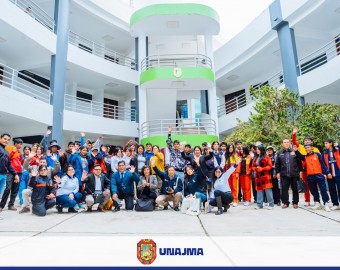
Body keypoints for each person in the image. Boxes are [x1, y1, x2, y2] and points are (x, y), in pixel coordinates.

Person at [295, 143, 331, 212]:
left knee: (323, 190)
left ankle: (326, 203)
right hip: (310, 176)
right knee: (313, 190)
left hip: (319, 175)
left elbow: (323, 164)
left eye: (308, 147)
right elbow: (299, 156)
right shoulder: (305, 157)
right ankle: (317, 203)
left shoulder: (317, 155)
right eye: (306, 148)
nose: (307, 149)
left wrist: (327, 172)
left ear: (312, 148)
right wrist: (296, 150)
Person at [291, 127, 319, 206]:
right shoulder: (301, 147)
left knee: (314, 186)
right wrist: (294, 134)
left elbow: (320, 160)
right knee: (305, 185)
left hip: (314, 170)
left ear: (312, 142)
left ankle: (316, 201)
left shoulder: (316, 149)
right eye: (305, 140)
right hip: (304, 169)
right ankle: (307, 201)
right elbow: (294, 142)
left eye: (308, 140)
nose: (307, 141)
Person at [275, 138, 301, 209]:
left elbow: (299, 162)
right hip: (284, 174)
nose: (286, 143)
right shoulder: (280, 152)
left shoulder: (294, 151)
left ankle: (295, 202)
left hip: (294, 174)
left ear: (289, 143)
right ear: (282, 144)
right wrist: (277, 172)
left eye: (287, 142)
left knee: (295, 189)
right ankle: (285, 202)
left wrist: (299, 171)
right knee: (284, 189)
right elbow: (277, 164)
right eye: (284, 142)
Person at [0, 138, 23, 212]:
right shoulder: (9, 148)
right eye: (20, 144)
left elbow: (20, 162)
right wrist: (13, 152)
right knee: (8, 188)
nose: (21, 145)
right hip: (10, 172)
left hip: (18, 172)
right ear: (15, 143)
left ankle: (11, 205)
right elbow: (7, 159)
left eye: (21, 144)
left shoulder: (20, 152)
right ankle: (1, 205)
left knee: (15, 189)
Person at [252, 145, 274, 210]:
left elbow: (270, 166)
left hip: (265, 176)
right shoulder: (255, 157)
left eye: (258, 149)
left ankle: (271, 204)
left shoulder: (266, 157)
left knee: (268, 190)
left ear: (261, 149)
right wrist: (256, 168)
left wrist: (262, 168)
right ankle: (259, 204)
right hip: (258, 176)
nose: (257, 150)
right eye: (256, 149)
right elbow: (252, 166)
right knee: (259, 190)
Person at [322, 139, 340, 210]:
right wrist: (326, 173)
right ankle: (335, 204)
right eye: (325, 143)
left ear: (331, 143)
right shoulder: (324, 153)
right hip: (330, 175)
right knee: (332, 189)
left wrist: (338, 145)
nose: (325, 145)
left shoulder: (337, 150)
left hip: (338, 174)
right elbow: (323, 164)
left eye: (326, 143)